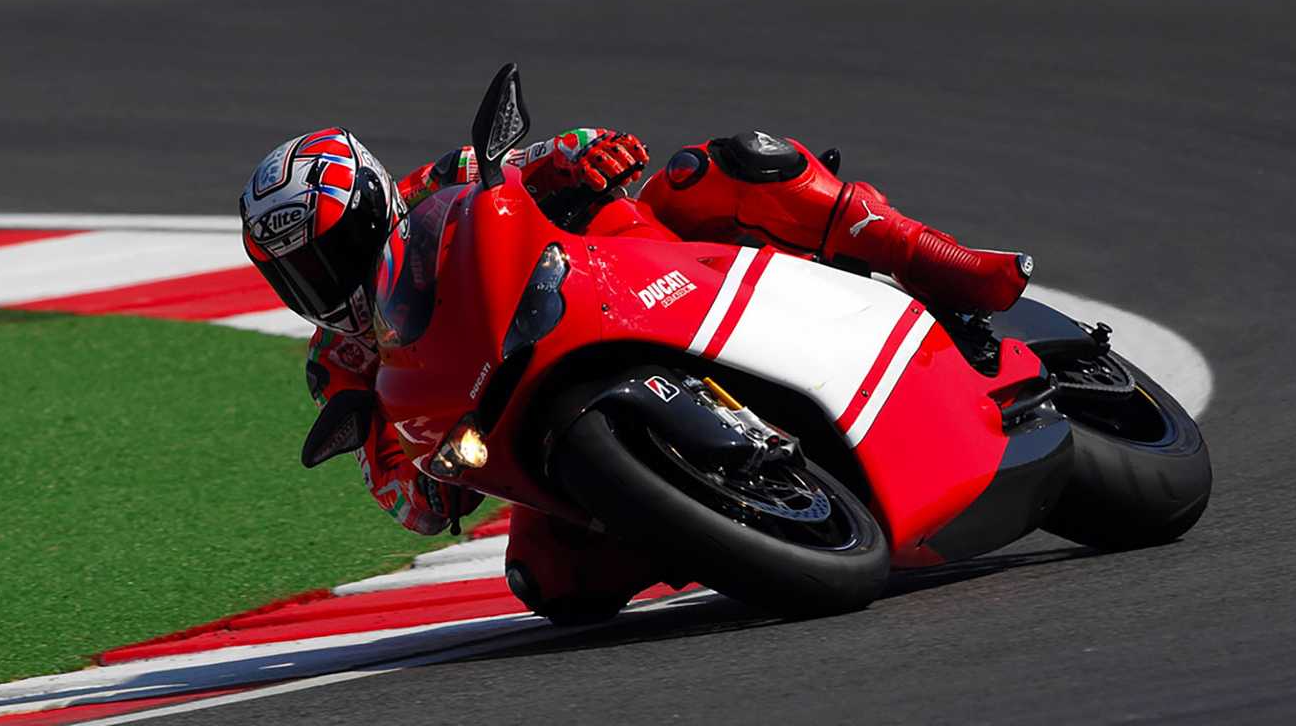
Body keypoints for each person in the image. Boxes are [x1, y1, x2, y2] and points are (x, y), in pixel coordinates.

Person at [240, 121, 1031, 620]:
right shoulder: (337, 362)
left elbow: (546, 154)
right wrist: (419, 468)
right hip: (528, 407)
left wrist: (588, 156)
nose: (322, 281)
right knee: (549, 583)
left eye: (333, 253)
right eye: (296, 273)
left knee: (721, 166)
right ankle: (714, 516)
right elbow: (405, 496)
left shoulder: (438, 185)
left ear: (378, 207)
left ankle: (946, 264)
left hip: (625, 277)